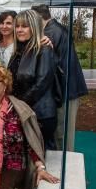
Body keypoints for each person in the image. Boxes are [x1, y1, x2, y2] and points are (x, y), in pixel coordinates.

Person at [32, 4, 88, 151]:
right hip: (69, 88)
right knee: (64, 133)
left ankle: (63, 170)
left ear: (38, 18)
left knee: (60, 135)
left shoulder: (50, 32)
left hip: (64, 91)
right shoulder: (58, 28)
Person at [8, 9, 58, 149]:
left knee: (41, 157)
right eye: (17, 26)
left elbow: (42, 83)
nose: (19, 30)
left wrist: (19, 105)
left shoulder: (44, 49)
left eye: (24, 26)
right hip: (23, 112)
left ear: (34, 27)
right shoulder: (18, 51)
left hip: (40, 115)